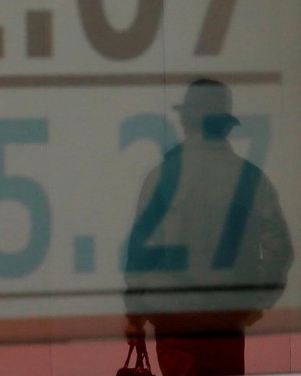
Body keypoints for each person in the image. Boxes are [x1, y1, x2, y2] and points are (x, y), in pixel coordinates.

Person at [124, 78, 293, 376]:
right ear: (226, 125)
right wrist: (257, 301)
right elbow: (279, 248)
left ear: (187, 120)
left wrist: (135, 313)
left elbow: (142, 254)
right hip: (227, 322)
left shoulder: (162, 177)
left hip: (175, 322)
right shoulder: (251, 179)